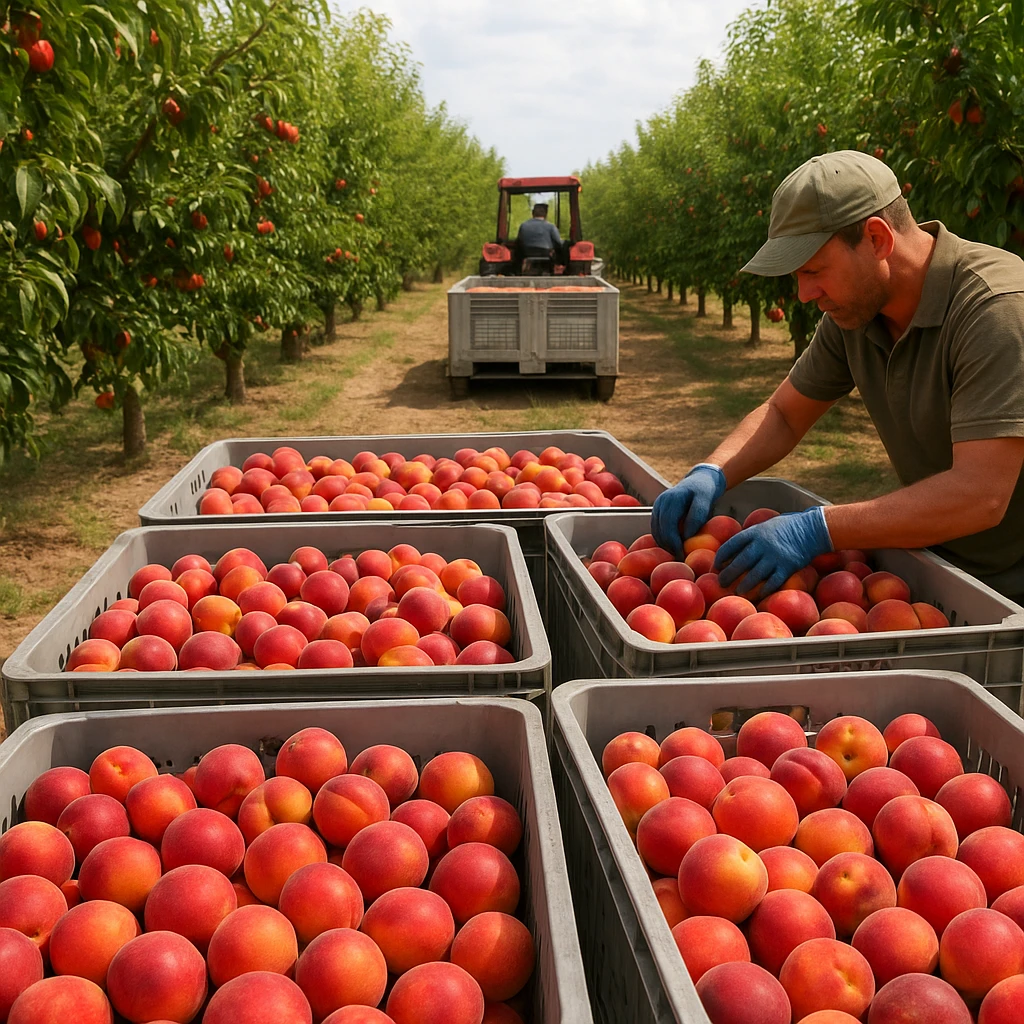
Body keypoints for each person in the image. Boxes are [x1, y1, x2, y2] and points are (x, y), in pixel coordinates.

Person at [651, 149, 1024, 602]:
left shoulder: (996, 309)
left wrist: (819, 528)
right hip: (945, 567)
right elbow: (785, 413)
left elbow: (980, 494)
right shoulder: (857, 314)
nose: (805, 294)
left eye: (813, 271)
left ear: (876, 239)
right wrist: (712, 471)